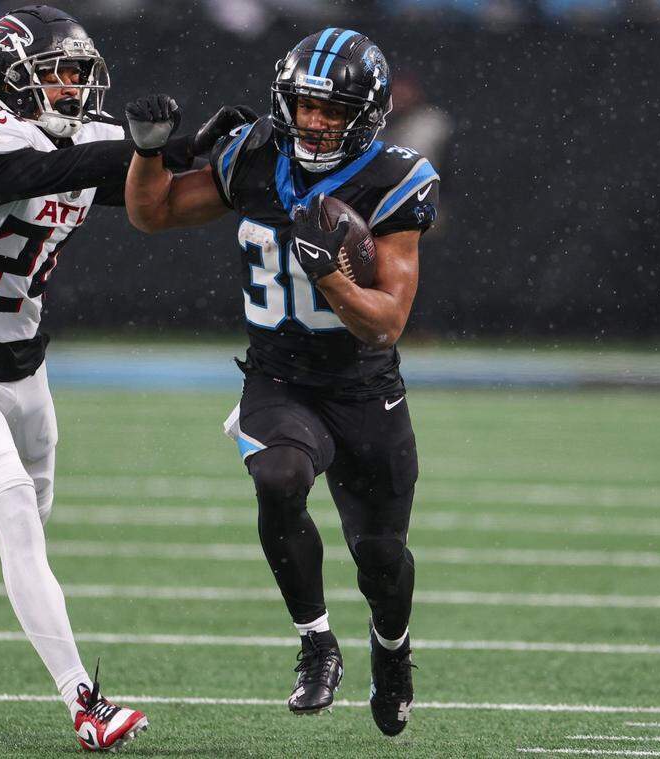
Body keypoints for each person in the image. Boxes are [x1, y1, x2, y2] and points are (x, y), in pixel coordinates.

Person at [0, 5, 249, 751]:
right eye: (54, 74)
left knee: (40, 517)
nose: (70, 88)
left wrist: (197, 151)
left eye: (77, 74)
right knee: (17, 522)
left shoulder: (90, 136)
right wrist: (149, 148)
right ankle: (85, 703)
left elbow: (129, 179)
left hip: (26, 367)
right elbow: (44, 171)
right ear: (9, 80)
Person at [122, 28, 439, 737]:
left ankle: (391, 652)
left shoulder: (397, 178)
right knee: (278, 475)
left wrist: (329, 273)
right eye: (304, 104)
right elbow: (154, 211)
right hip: (279, 375)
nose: (315, 121)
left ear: (368, 111)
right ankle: (316, 641)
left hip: (362, 385)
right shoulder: (259, 153)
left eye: (331, 108)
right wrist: (150, 151)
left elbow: (385, 323)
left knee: (382, 559)